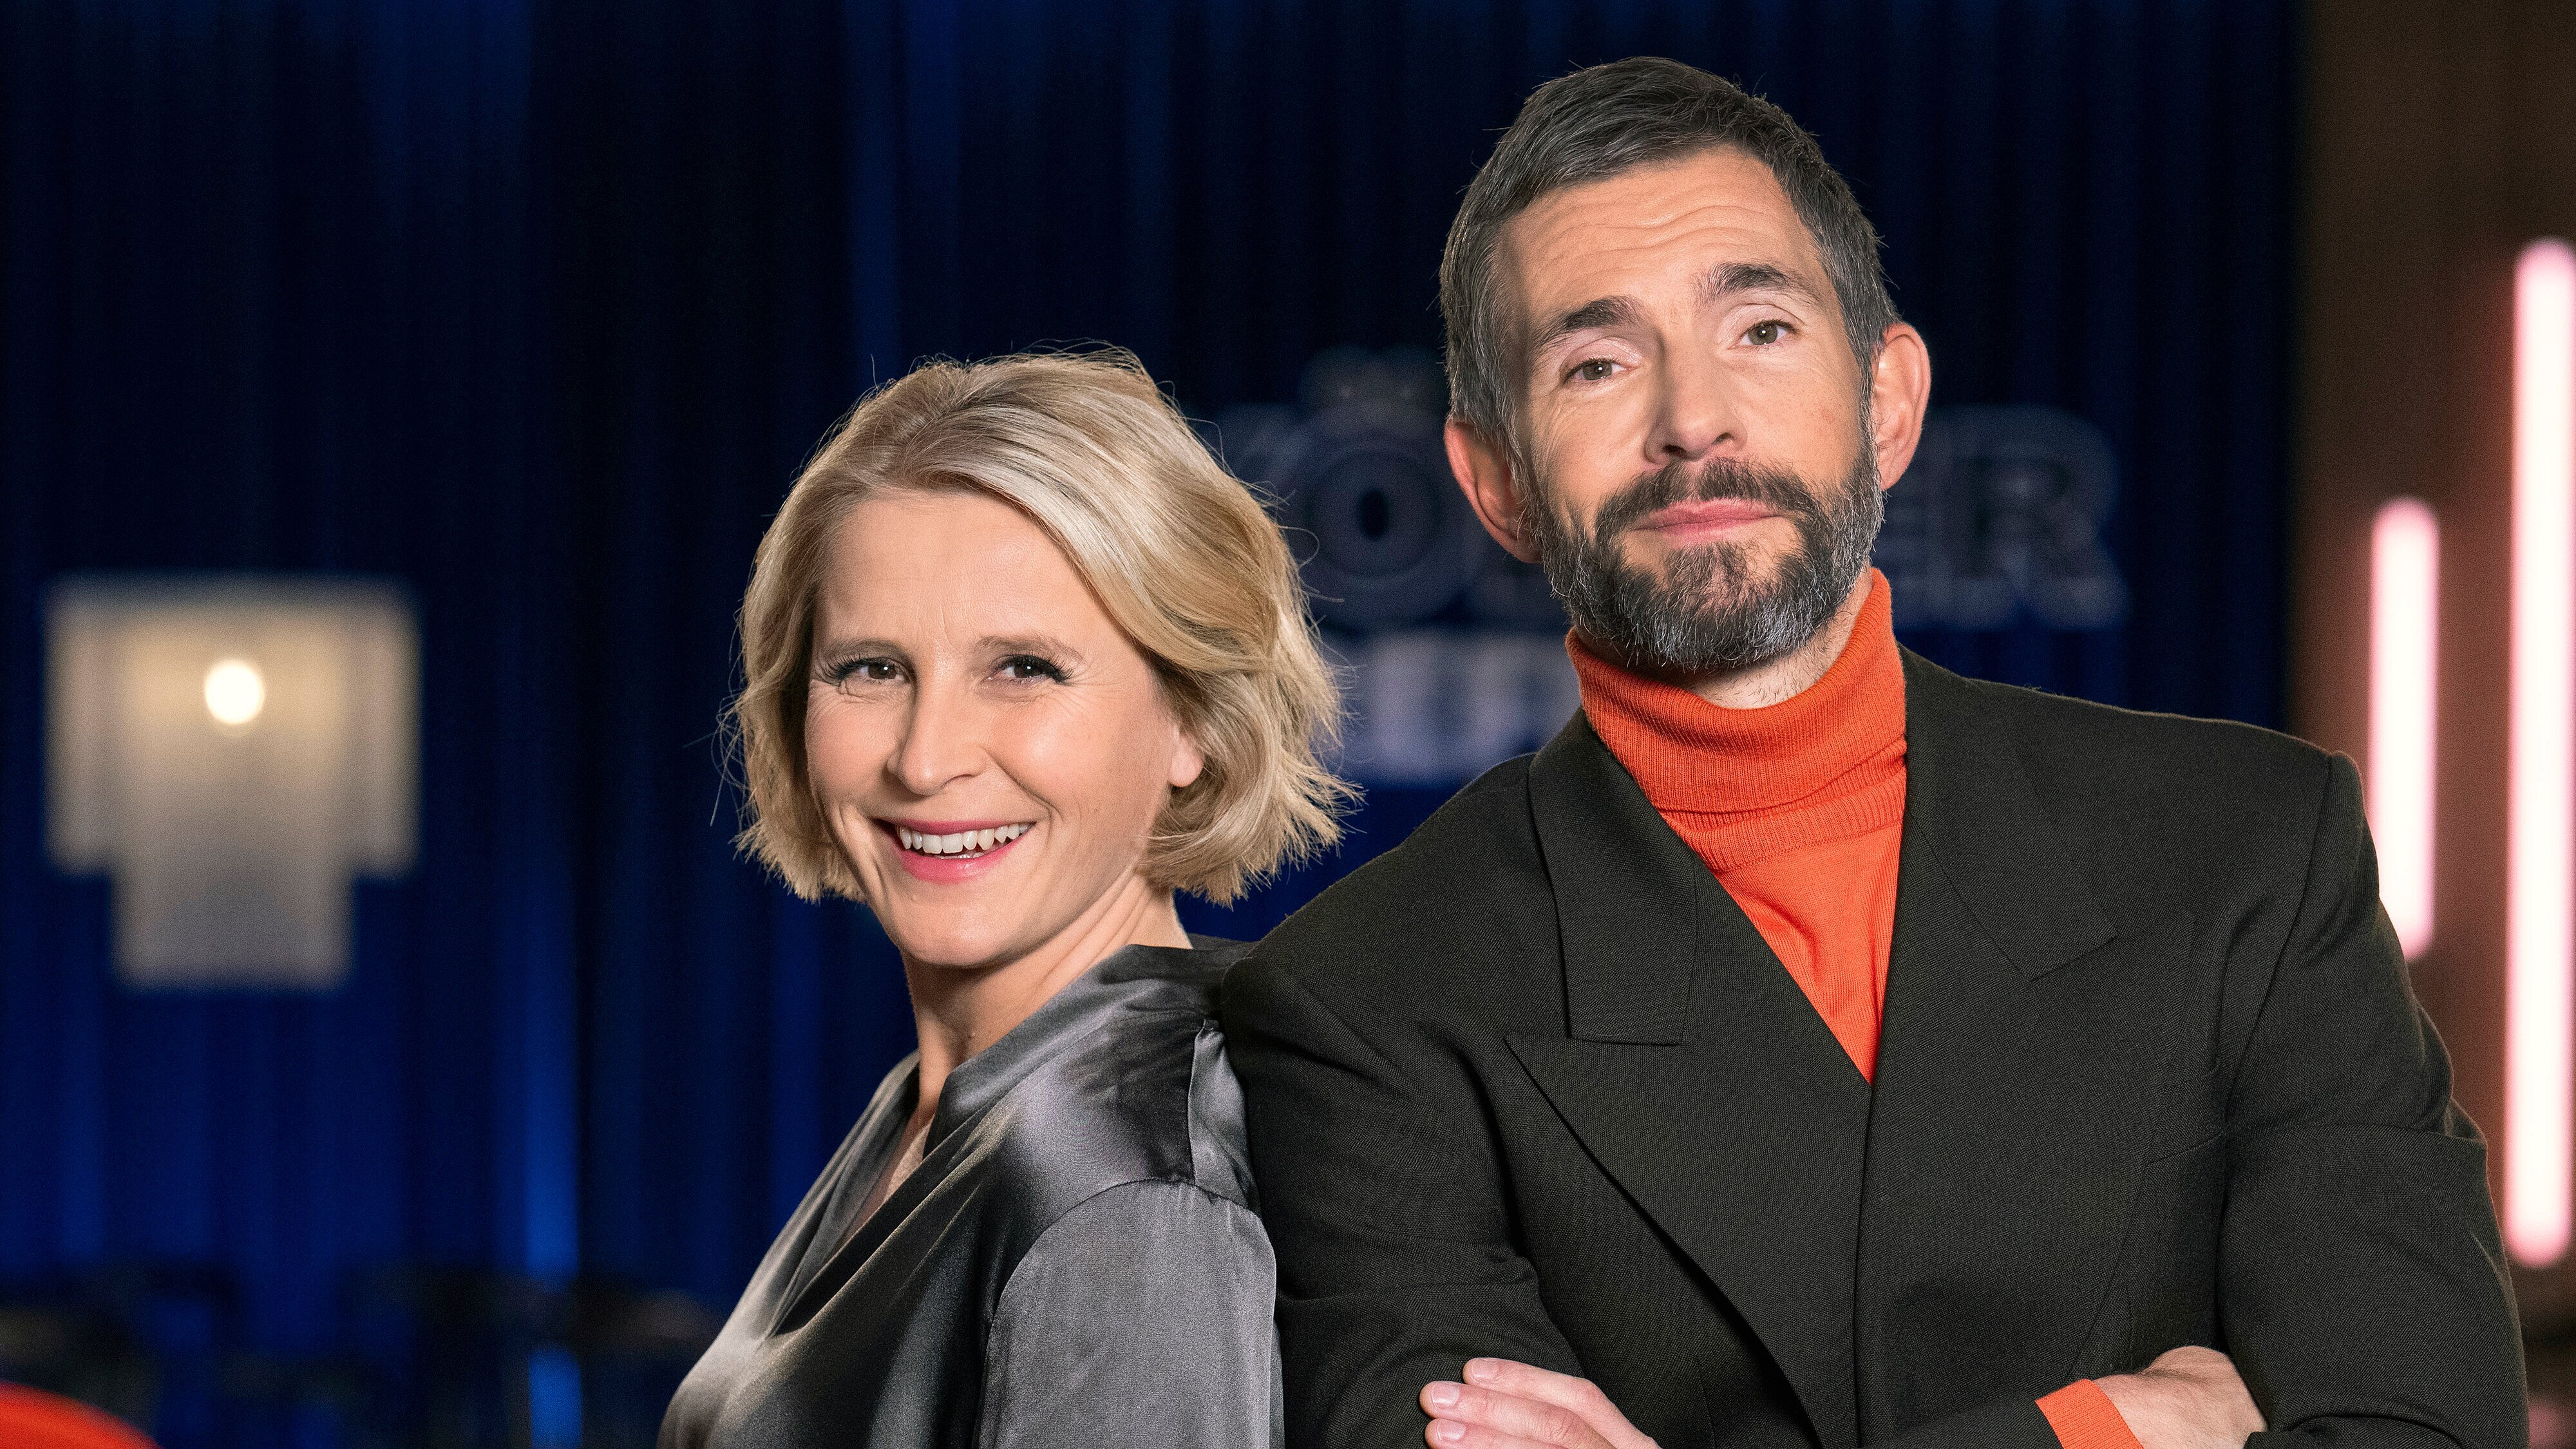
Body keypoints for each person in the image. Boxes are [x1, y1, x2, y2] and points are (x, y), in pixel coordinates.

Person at [1222, 57, 2526, 1449]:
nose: (1692, 418)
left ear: (1888, 402)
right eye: (1596, 363)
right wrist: (2095, 1430)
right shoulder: (1361, 1000)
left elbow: (2423, 1427)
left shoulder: (2249, 847)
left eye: (1761, 329)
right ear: (1497, 482)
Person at [661, 350, 1345, 1448]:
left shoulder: (1119, 1189)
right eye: (871, 668)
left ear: (1193, 720)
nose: (926, 757)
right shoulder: (955, 1100)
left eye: (1024, 667)